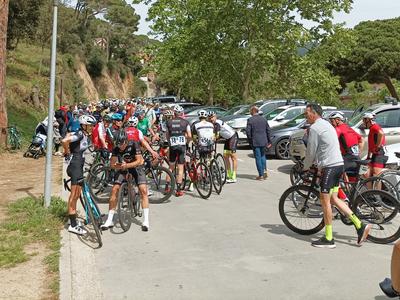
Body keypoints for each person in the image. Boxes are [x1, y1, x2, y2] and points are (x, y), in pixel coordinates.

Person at [303, 103, 371, 248]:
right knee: (334, 199)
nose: (305, 115)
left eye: (306, 112)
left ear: (314, 113)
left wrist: (305, 167)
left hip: (330, 167)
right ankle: (360, 225)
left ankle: (329, 238)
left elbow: (311, 151)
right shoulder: (327, 125)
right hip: (338, 165)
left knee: (325, 201)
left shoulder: (315, 128)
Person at [101, 129, 150, 231]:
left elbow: (139, 160)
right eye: (118, 144)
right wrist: (119, 166)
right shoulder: (116, 148)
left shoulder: (134, 144)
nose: (120, 146)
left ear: (126, 141)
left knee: (143, 190)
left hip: (136, 167)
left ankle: (146, 221)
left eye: (122, 144)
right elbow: (112, 164)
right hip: (123, 167)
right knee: (114, 189)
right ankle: (109, 220)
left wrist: (127, 165)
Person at [62, 115, 97, 235]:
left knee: (76, 194)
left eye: (93, 125)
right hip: (75, 166)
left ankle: (73, 219)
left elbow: (67, 135)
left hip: (78, 165)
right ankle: (72, 225)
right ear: (84, 125)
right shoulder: (80, 134)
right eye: (91, 125)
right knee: (74, 195)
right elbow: (64, 140)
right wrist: (67, 152)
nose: (92, 127)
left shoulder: (82, 134)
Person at [166, 105, 191, 197]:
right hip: (181, 146)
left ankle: (167, 186)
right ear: (182, 113)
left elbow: (167, 135)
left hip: (172, 146)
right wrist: (187, 142)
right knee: (180, 168)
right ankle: (179, 189)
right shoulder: (185, 122)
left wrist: (169, 143)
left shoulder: (168, 122)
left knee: (171, 167)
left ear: (174, 113)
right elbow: (189, 135)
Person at [208, 111, 238, 183]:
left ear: (216, 117)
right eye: (210, 118)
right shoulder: (213, 124)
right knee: (225, 156)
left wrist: (214, 139)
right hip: (227, 139)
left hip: (233, 137)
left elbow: (217, 135)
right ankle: (228, 174)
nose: (211, 119)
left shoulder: (217, 123)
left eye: (212, 117)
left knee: (233, 157)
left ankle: (234, 176)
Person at [245, 106, 271, 180]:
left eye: (250, 111)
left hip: (255, 141)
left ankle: (261, 175)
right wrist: (269, 141)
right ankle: (265, 172)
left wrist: (250, 140)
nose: (250, 113)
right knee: (263, 156)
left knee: (258, 157)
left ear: (253, 111)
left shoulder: (250, 120)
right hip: (264, 140)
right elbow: (268, 130)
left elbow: (248, 132)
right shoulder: (264, 119)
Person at [363, 112, 387, 178]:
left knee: (376, 174)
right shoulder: (371, 128)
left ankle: (377, 188)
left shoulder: (374, 127)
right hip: (373, 154)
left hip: (379, 153)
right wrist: (368, 156)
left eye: (364, 120)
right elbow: (371, 144)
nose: (363, 122)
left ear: (368, 120)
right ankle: (370, 188)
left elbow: (381, 133)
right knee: (364, 172)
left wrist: (378, 146)